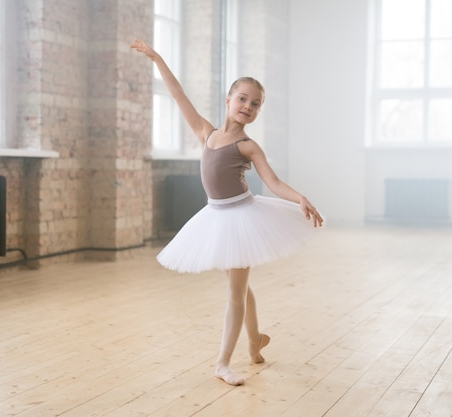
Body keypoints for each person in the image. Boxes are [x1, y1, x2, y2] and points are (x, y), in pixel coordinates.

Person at [131, 39, 324, 386]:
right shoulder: (206, 132)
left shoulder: (248, 146)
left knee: (236, 291)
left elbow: (274, 181)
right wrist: (156, 57)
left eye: (255, 104)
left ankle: (222, 363)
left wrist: (300, 198)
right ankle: (254, 343)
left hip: (242, 218)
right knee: (241, 285)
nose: (248, 106)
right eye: (242, 99)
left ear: (258, 111)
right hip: (215, 217)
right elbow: (178, 95)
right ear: (228, 100)